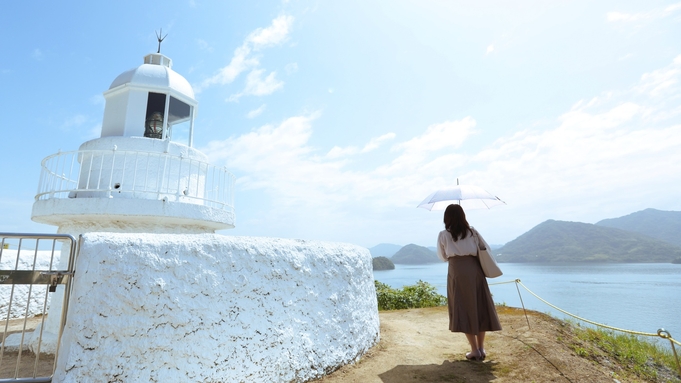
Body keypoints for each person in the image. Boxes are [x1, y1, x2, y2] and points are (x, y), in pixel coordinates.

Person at [436, 204, 502, 361]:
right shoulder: (472, 232)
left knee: (464, 307)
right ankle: (481, 348)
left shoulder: (443, 235)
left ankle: (474, 350)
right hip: (475, 270)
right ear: (463, 216)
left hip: (457, 272)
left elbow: (442, 256)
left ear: (446, 218)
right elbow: (486, 249)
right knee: (479, 306)